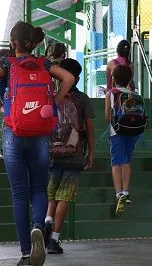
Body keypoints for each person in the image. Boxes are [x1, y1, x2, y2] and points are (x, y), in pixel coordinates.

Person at [0, 22, 75, 266]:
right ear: (33, 44)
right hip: (40, 133)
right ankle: (38, 225)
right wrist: (54, 101)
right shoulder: (44, 64)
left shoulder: (6, 63)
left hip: (13, 131)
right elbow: (68, 77)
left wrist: (1, 107)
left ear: (12, 43)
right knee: (38, 188)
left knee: (19, 193)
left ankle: (26, 252)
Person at [44, 58, 95, 255]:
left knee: (52, 194)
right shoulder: (82, 99)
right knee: (65, 196)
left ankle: (47, 221)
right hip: (74, 156)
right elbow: (89, 126)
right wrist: (91, 152)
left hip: (52, 154)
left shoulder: (50, 98)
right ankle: (54, 239)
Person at [105, 64, 141, 215]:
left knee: (116, 162)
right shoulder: (135, 95)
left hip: (117, 132)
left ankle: (118, 193)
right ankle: (126, 192)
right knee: (126, 160)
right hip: (133, 132)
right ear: (129, 79)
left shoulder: (111, 94)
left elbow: (107, 116)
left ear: (113, 79)